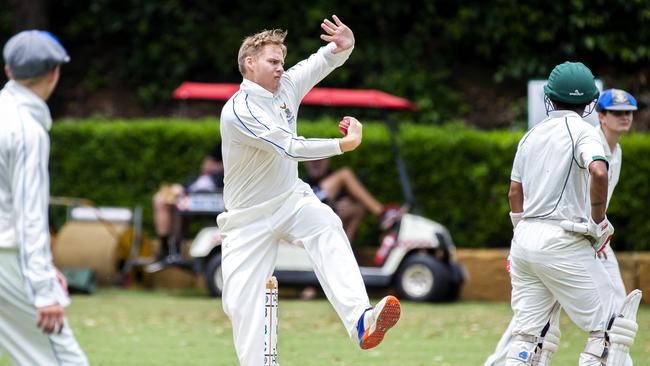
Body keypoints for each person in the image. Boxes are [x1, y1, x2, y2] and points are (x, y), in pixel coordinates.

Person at [218, 16, 400, 365]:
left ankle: (362, 321)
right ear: (249, 63)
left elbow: (318, 63)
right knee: (242, 307)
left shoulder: (284, 86)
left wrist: (343, 46)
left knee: (326, 224)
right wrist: (342, 145)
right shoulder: (238, 111)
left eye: (281, 63)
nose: (280, 69)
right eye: (273, 62)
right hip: (246, 221)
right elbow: (288, 146)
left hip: (290, 199)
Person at [484, 88, 640, 366]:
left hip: (582, 238)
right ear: (599, 114)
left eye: (628, 112)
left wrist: (521, 233)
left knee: (611, 317)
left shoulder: (614, 151)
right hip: (573, 236)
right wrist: (596, 226)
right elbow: (593, 177)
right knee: (606, 329)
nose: (624, 118)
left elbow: (516, 191)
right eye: (617, 112)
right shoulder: (586, 137)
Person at [0, 30, 88, 365]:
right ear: (54, 73)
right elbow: (29, 215)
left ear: (9, 71)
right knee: (65, 360)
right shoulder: (26, 130)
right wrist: (43, 289)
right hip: (8, 259)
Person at [147, 144, 224, 271]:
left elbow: (209, 166)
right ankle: (165, 248)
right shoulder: (221, 144)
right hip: (199, 188)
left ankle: (173, 251)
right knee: (160, 200)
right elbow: (206, 165)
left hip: (212, 190)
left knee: (173, 201)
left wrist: (217, 167)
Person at [304, 158, 403, 242]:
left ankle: (343, 249)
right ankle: (382, 213)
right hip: (311, 212)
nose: (315, 163)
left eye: (320, 160)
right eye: (311, 160)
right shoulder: (304, 181)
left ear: (328, 160)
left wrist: (342, 202)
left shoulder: (330, 175)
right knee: (345, 174)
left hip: (324, 212)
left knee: (358, 209)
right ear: (305, 161)